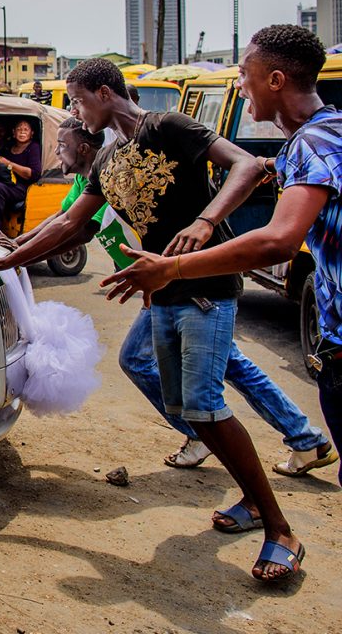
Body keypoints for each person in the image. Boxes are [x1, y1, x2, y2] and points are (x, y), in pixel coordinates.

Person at [0, 57, 302, 583]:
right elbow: (73, 224)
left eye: (77, 101)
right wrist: (8, 252)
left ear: (103, 92)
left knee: (205, 408)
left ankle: (280, 529)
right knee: (183, 403)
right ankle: (255, 501)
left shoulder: (164, 126)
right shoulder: (108, 158)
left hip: (206, 288)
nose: (74, 112)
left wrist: (206, 221)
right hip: (159, 291)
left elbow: (247, 165)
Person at [20, 118, 334, 477]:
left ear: (87, 144)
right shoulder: (89, 179)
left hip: (186, 283)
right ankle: (302, 437)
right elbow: (61, 222)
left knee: (162, 373)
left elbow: (69, 229)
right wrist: (11, 249)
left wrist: (10, 256)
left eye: (63, 143)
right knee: (226, 361)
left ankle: (210, 441)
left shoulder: (130, 166)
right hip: (165, 284)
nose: (57, 151)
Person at [106, 24, 342, 495]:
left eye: (244, 73)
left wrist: (170, 267)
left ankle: (265, 495)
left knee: (200, 393)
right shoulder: (325, 134)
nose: (239, 85)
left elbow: (276, 242)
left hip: (208, 294)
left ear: (275, 80)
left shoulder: (313, 144)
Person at [0, 119, 41, 229]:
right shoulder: (9, 146)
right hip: (7, 182)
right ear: (13, 132)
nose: (22, 132)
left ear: (32, 133)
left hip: (22, 187)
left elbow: (32, 174)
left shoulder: (33, 148)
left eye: (26, 130)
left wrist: (9, 164)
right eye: (19, 129)